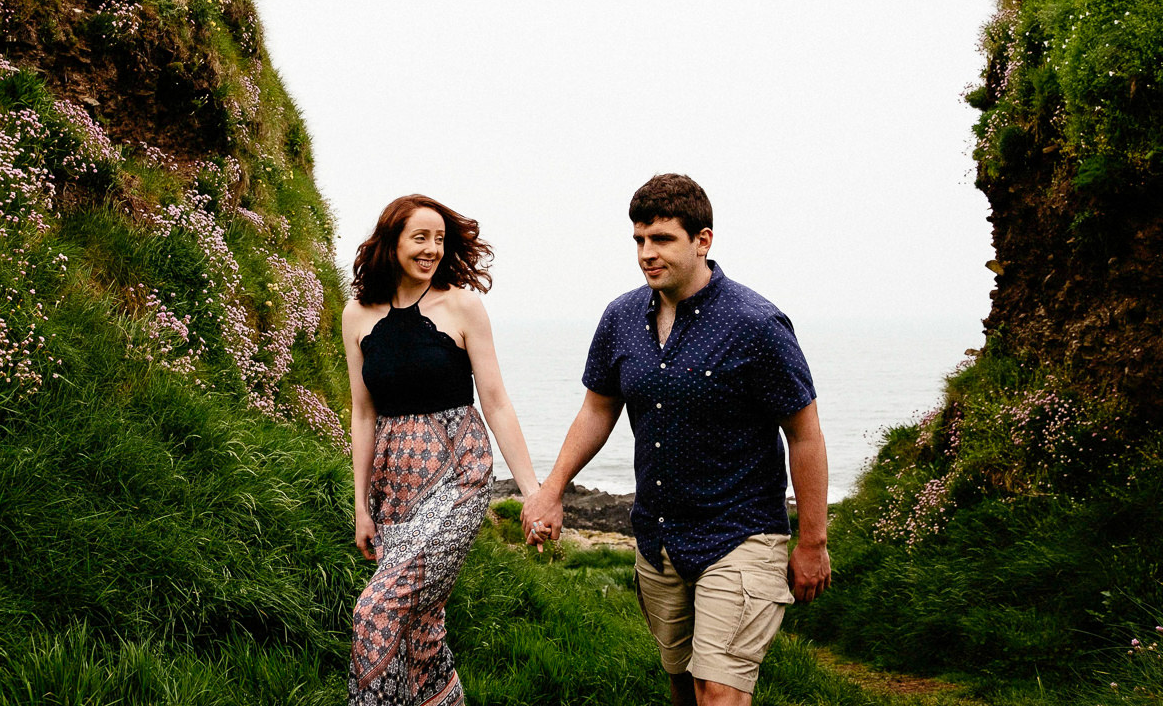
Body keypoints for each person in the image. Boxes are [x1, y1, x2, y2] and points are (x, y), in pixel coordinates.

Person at [521, 174, 830, 706]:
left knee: (719, 692)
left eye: (661, 239)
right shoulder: (620, 317)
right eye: (639, 240)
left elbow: (804, 434)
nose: (646, 253)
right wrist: (552, 489)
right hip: (659, 538)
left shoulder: (756, 324)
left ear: (702, 241)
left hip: (741, 533)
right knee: (684, 687)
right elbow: (598, 408)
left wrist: (812, 540)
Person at [343, 194, 539, 706]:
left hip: (459, 477)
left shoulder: (462, 305)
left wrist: (533, 493)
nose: (432, 249)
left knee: (377, 612)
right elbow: (362, 414)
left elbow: (495, 402)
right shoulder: (357, 315)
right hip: (393, 487)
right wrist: (360, 505)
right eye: (420, 237)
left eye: (439, 239)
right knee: (420, 629)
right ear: (393, 242)